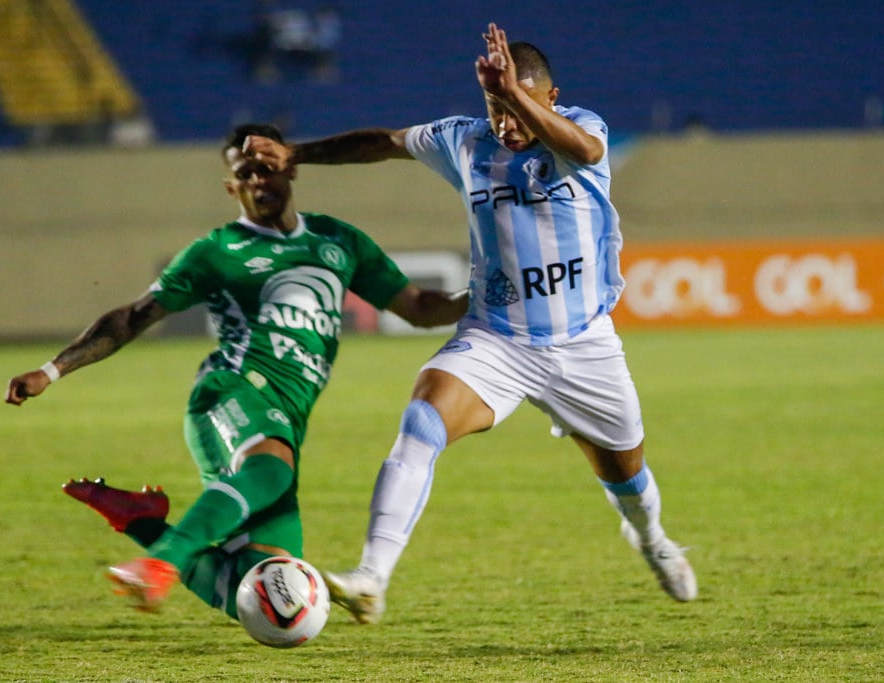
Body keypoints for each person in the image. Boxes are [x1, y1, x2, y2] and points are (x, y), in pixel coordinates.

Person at [243, 23, 697, 624]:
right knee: (420, 422)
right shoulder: (464, 141)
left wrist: (515, 93)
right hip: (496, 340)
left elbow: (587, 153)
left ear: (550, 99)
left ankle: (651, 538)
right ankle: (372, 576)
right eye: (495, 109)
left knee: (626, 474)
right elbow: (384, 141)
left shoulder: (584, 132)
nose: (506, 124)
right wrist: (297, 153)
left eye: (519, 108)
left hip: (584, 343)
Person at [4, 123, 468, 615]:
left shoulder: (338, 241)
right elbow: (133, 316)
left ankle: (138, 518)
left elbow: (418, 307)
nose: (257, 180)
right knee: (267, 470)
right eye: (244, 173)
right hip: (229, 394)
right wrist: (51, 370)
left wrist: (478, 300)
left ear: (289, 168)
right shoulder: (217, 251)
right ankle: (163, 562)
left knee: (262, 592)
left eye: (266, 168)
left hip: (287, 418)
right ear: (232, 187)